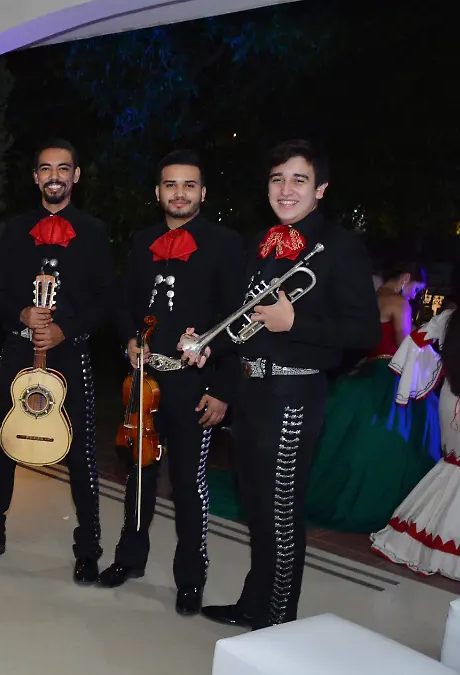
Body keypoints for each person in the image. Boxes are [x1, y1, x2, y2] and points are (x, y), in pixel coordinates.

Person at [184, 140, 380, 630]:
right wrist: (210, 344)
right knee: (256, 506)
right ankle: (255, 602)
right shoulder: (260, 244)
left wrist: (295, 322)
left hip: (294, 395)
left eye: (299, 179)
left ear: (321, 189)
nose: (286, 189)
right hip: (251, 394)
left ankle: (275, 622)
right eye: (277, 179)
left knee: (281, 512)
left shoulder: (341, 247)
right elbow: (243, 323)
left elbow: (365, 333)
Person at [98, 150, 245, 614]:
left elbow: (238, 322)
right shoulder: (143, 240)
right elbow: (123, 304)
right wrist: (127, 341)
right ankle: (129, 559)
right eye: (170, 185)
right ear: (157, 192)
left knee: (188, 483)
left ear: (202, 193)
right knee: (137, 475)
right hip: (143, 378)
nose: (178, 193)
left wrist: (222, 389)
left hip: (194, 386)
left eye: (188, 185)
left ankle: (191, 579)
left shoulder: (225, 244)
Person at [0, 139, 115, 583]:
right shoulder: (16, 230)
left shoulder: (92, 230)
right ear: (35, 177)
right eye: (46, 168)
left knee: (81, 453)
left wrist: (64, 327)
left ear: (76, 176)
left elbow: (104, 298)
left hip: (70, 352)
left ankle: (88, 549)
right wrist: (22, 314)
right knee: (6, 445)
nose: (55, 176)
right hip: (17, 349)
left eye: (63, 168)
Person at [303, 263, 439, 532]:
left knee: (342, 441)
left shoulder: (367, 301)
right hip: (389, 377)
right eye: (416, 289)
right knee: (407, 437)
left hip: (364, 373)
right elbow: (404, 347)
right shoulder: (399, 303)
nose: (415, 295)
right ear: (405, 278)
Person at [371, 308, 460, 578]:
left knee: (453, 463)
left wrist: (423, 374)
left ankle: (425, 538)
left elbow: (416, 340)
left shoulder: (449, 317)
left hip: (452, 395)